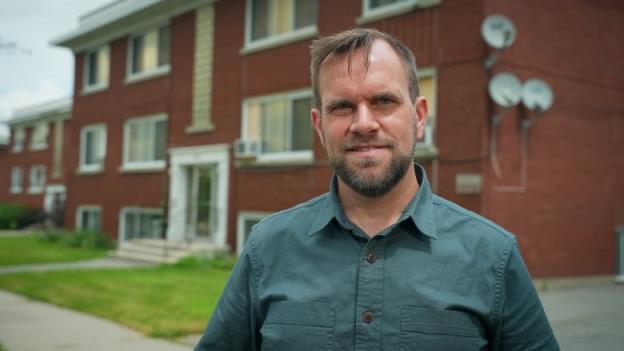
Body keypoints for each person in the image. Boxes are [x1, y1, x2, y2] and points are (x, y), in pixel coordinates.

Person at [195, 28, 559, 351]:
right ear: (319, 126)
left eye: (384, 101)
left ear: (419, 117)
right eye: (342, 107)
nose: (363, 123)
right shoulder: (268, 247)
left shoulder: (492, 255)